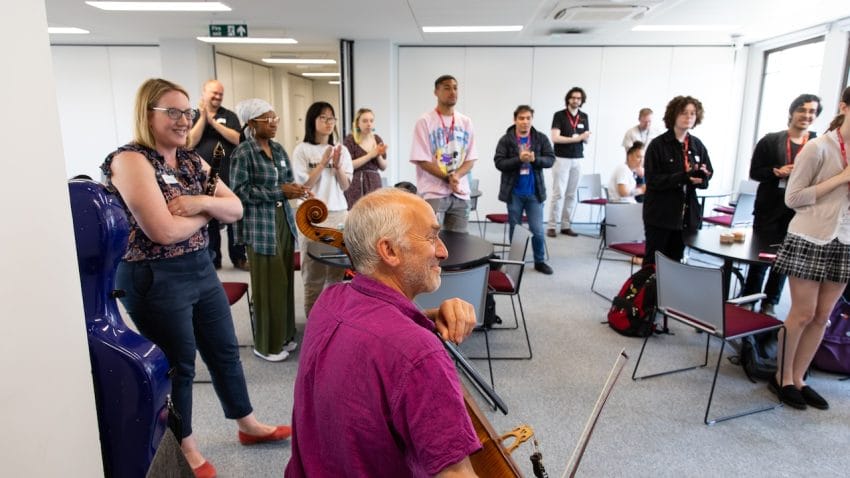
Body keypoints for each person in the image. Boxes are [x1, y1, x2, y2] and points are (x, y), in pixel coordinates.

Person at [102, 79, 290, 478]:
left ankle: (247, 423)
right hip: (154, 275)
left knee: (224, 351)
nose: (183, 120)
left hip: (200, 268)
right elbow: (162, 232)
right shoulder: (131, 160)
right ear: (146, 114)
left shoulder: (190, 161)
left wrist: (198, 203)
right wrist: (209, 213)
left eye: (186, 112)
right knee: (180, 365)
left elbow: (235, 207)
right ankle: (184, 445)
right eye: (171, 112)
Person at [286, 188, 480, 477]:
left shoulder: (330, 300)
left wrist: (426, 317)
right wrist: (420, 338)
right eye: (431, 237)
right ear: (389, 251)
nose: (443, 251)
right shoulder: (419, 355)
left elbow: (371, 330)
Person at [770, 86, 850, 411]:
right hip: (810, 238)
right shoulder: (819, 147)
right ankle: (782, 377)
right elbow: (793, 198)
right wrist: (841, 178)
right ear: (844, 106)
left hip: (845, 241)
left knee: (822, 316)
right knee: (802, 313)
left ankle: (800, 379)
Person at [229, 99, 312, 362]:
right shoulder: (244, 153)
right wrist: (280, 191)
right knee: (267, 286)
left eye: (275, 118)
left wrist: (295, 189)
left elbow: (286, 181)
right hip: (260, 224)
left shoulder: (277, 149)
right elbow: (239, 192)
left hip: (283, 220)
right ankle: (266, 344)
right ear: (252, 123)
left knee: (284, 282)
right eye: (268, 119)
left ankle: (284, 335)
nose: (274, 123)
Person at [742, 94, 822, 317]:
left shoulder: (818, 144)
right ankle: (749, 297)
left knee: (785, 260)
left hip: (799, 211)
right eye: (802, 110)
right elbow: (754, 172)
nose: (806, 115)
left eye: (812, 112)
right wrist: (775, 172)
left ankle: (771, 302)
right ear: (792, 112)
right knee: (759, 257)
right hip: (769, 207)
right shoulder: (770, 140)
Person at [292, 101, 353, 316]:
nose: (328, 122)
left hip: (338, 213)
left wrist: (336, 166)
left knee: (336, 271)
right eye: (323, 118)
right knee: (313, 272)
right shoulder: (302, 150)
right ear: (313, 120)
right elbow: (304, 186)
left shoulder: (342, 150)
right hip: (311, 216)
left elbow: (345, 186)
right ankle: (313, 321)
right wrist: (322, 163)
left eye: (331, 118)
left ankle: (333, 318)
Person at [642, 95, 713, 265]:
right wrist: (684, 177)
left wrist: (701, 178)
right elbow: (652, 181)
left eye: (692, 113)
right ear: (673, 115)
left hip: (686, 217)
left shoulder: (697, 145)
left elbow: (707, 176)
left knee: (675, 263)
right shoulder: (658, 145)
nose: (688, 117)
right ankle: (648, 293)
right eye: (683, 113)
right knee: (654, 262)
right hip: (661, 214)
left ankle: (668, 293)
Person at [188, 79, 249, 271]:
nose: (217, 97)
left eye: (220, 94)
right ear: (204, 92)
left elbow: (238, 138)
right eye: (214, 93)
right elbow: (190, 141)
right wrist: (203, 118)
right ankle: (214, 259)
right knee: (210, 216)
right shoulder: (193, 115)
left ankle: (238, 257)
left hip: (228, 173)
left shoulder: (229, 115)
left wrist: (213, 122)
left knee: (234, 217)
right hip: (206, 175)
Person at [410, 74, 478, 233]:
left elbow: (471, 158)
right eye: (447, 88)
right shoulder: (425, 121)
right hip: (433, 192)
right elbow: (422, 159)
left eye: (455, 88)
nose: (452, 92)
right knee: (429, 242)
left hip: (460, 193)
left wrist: (457, 176)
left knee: (459, 244)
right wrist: (447, 177)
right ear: (436, 92)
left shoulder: (466, 122)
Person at [494, 104, 556, 274]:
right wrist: (518, 160)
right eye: (521, 118)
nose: (525, 121)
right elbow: (499, 163)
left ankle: (539, 261)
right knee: (516, 229)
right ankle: (515, 262)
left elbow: (551, 159)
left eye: (528, 118)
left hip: (534, 193)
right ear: (515, 120)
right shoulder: (506, 140)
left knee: (537, 230)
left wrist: (535, 160)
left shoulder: (540, 138)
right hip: (514, 193)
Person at [548, 87, 591, 238]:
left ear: (581, 100)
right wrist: (576, 138)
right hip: (561, 158)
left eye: (578, 98)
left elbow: (586, 139)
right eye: (573, 98)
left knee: (571, 194)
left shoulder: (584, 116)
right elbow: (555, 138)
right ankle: (552, 226)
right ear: (568, 99)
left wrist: (584, 137)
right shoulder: (559, 115)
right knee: (558, 193)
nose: (575, 100)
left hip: (578, 158)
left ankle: (566, 225)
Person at [343, 107, 387, 208]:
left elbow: (384, 167)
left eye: (371, 121)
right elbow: (348, 165)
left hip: (374, 182)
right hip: (356, 183)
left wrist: (378, 154)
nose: (369, 124)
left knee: (375, 213)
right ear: (358, 123)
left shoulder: (377, 139)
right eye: (365, 121)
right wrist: (370, 155)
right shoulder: (350, 140)